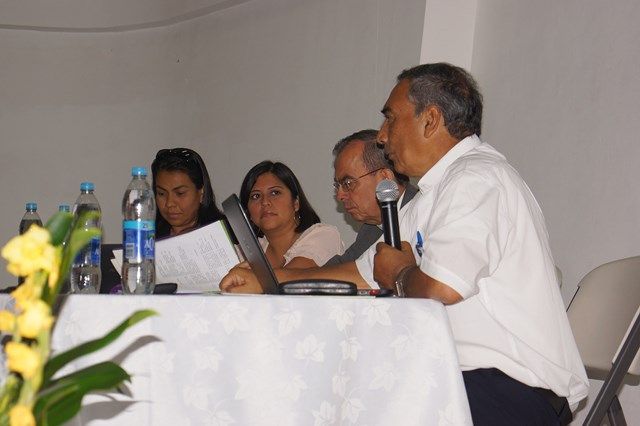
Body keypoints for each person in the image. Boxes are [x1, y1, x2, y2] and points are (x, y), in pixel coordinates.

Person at [221, 63, 589, 425]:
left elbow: (440, 289)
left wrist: (399, 273)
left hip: (509, 389)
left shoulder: (476, 178)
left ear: (430, 120)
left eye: (391, 119)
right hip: (455, 379)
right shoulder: (430, 197)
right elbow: (360, 273)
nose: (382, 136)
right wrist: (270, 278)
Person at [325, 129, 418, 265]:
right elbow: (342, 267)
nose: (340, 196)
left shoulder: (422, 213)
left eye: (348, 183)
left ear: (385, 178)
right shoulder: (371, 227)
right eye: (337, 185)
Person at [240, 160, 343, 268]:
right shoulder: (245, 253)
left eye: (275, 193)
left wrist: (245, 276)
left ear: (296, 203)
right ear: (248, 212)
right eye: (256, 196)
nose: (265, 202)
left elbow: (295, 276)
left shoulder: (325, 236)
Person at [151, 148, 225, 239]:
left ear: (201, 192)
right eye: (161, 193)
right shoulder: (146, 236)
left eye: (180, 193)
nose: (169, 203)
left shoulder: (224, 233)